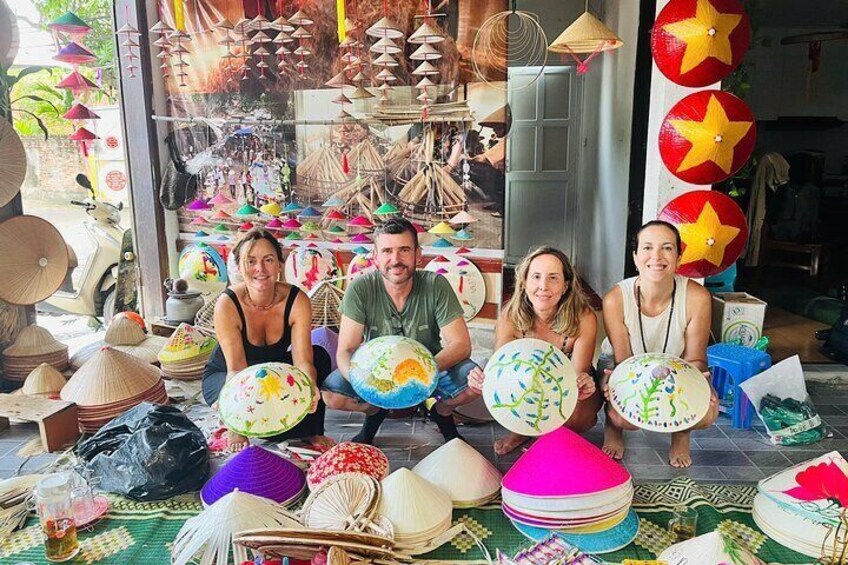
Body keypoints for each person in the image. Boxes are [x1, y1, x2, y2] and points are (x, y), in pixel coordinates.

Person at [322, 218, 480, 445]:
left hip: (432, 366)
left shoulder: (436, 284)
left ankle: (441, 411)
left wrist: (420, 372)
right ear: (375, 257)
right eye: (387, 251)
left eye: (404, 250)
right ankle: (376, 410)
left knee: (473, 382)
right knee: (332, 395)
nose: (395, 260)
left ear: (418, 254)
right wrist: (364, 383)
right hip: (377, 372)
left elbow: (461, 345)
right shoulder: (360, 288)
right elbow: (346, 350)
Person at [601, 220, 718, 468]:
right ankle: (612, 427)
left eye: (666, 248)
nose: (656, 256)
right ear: (635, 257)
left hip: (677, 369)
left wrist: (701, 384)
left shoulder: (697, 297)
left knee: (707, 413)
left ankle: (681, 434)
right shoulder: (615, 299)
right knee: (624, 418)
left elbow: (696, 358)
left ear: (678, 257)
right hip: (625, 367)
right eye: (647, 248)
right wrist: (616, 387)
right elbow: (623, 361)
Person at [202, 229, 332, 452]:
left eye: (268, 260)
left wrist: (309, 387)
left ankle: (311, 430)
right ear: (239, 267)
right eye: (251, 261)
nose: (260, 269)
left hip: (273, 372)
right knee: (255, 421)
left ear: (279, 265)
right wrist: (236, 419)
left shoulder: (297, 300)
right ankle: (234, 423)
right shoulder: (228, 303)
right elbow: (236, 369)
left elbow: (303, 361)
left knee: (319, 357)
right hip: (229, 375)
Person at [467, 246, 601, 455]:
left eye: (553, 278)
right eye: (536, 277)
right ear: (524, 282)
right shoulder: (510, 316)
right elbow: (502, 369)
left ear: (565, 286)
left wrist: (584, 384)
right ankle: (524, 431)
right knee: (503, 398)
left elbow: (576, 375)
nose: (543, 286)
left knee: (579, 419)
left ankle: (541, 434)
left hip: (565, 383)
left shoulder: (584, 317)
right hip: (526, 382)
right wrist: (482, 379)